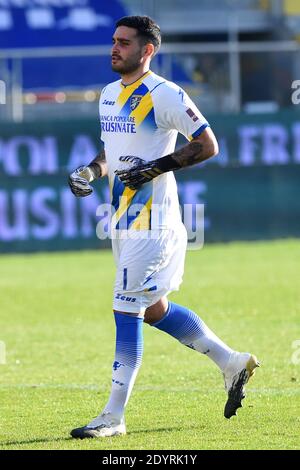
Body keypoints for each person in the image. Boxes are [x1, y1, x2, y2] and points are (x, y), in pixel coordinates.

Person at [68, 16, 259, 439]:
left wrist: (156, 167)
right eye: (113, 41)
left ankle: (113, 417)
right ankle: (231, 362)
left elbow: (207, 144)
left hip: (153, 223)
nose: (114, 48)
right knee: (152, 309)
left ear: (147, 50)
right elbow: (112, 151)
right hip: (122, 219)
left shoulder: (164, 93)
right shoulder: (108, 94)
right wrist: (92, 171)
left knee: (125, 310)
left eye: (124, 42)